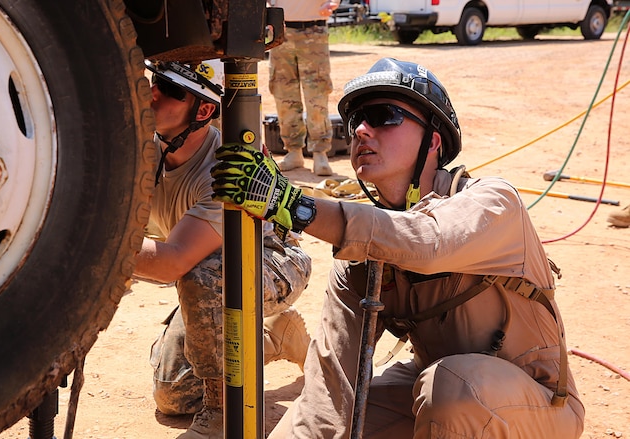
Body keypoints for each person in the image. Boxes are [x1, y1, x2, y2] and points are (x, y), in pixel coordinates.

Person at [211, 58, 585, 438]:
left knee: (454, 388)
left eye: (382, 115)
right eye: (356, 118)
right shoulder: (361, 252)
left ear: (433, 141)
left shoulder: (492, 203)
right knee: (330, 417)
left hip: (536, 406)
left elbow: (424, 241)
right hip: (437, 391)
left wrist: (295, 205)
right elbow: (332, 382)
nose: (360, 130)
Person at [134, 59, 313, 439]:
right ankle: (271, 338)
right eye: (155, 81)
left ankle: (222, 411)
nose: (152, 93)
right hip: (210, 272)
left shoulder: (224, 170)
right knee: (173, 393)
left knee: (200, 273)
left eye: (169, 89)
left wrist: (98, 253)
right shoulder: (142, 149)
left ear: (204, 110)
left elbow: (171, 264)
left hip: (270, 261)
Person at [268, 0, 339, 176]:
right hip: (281, 32)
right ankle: (294, 152)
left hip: (313, 30)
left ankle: (319, 153)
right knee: (284, 94)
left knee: (317, 95)